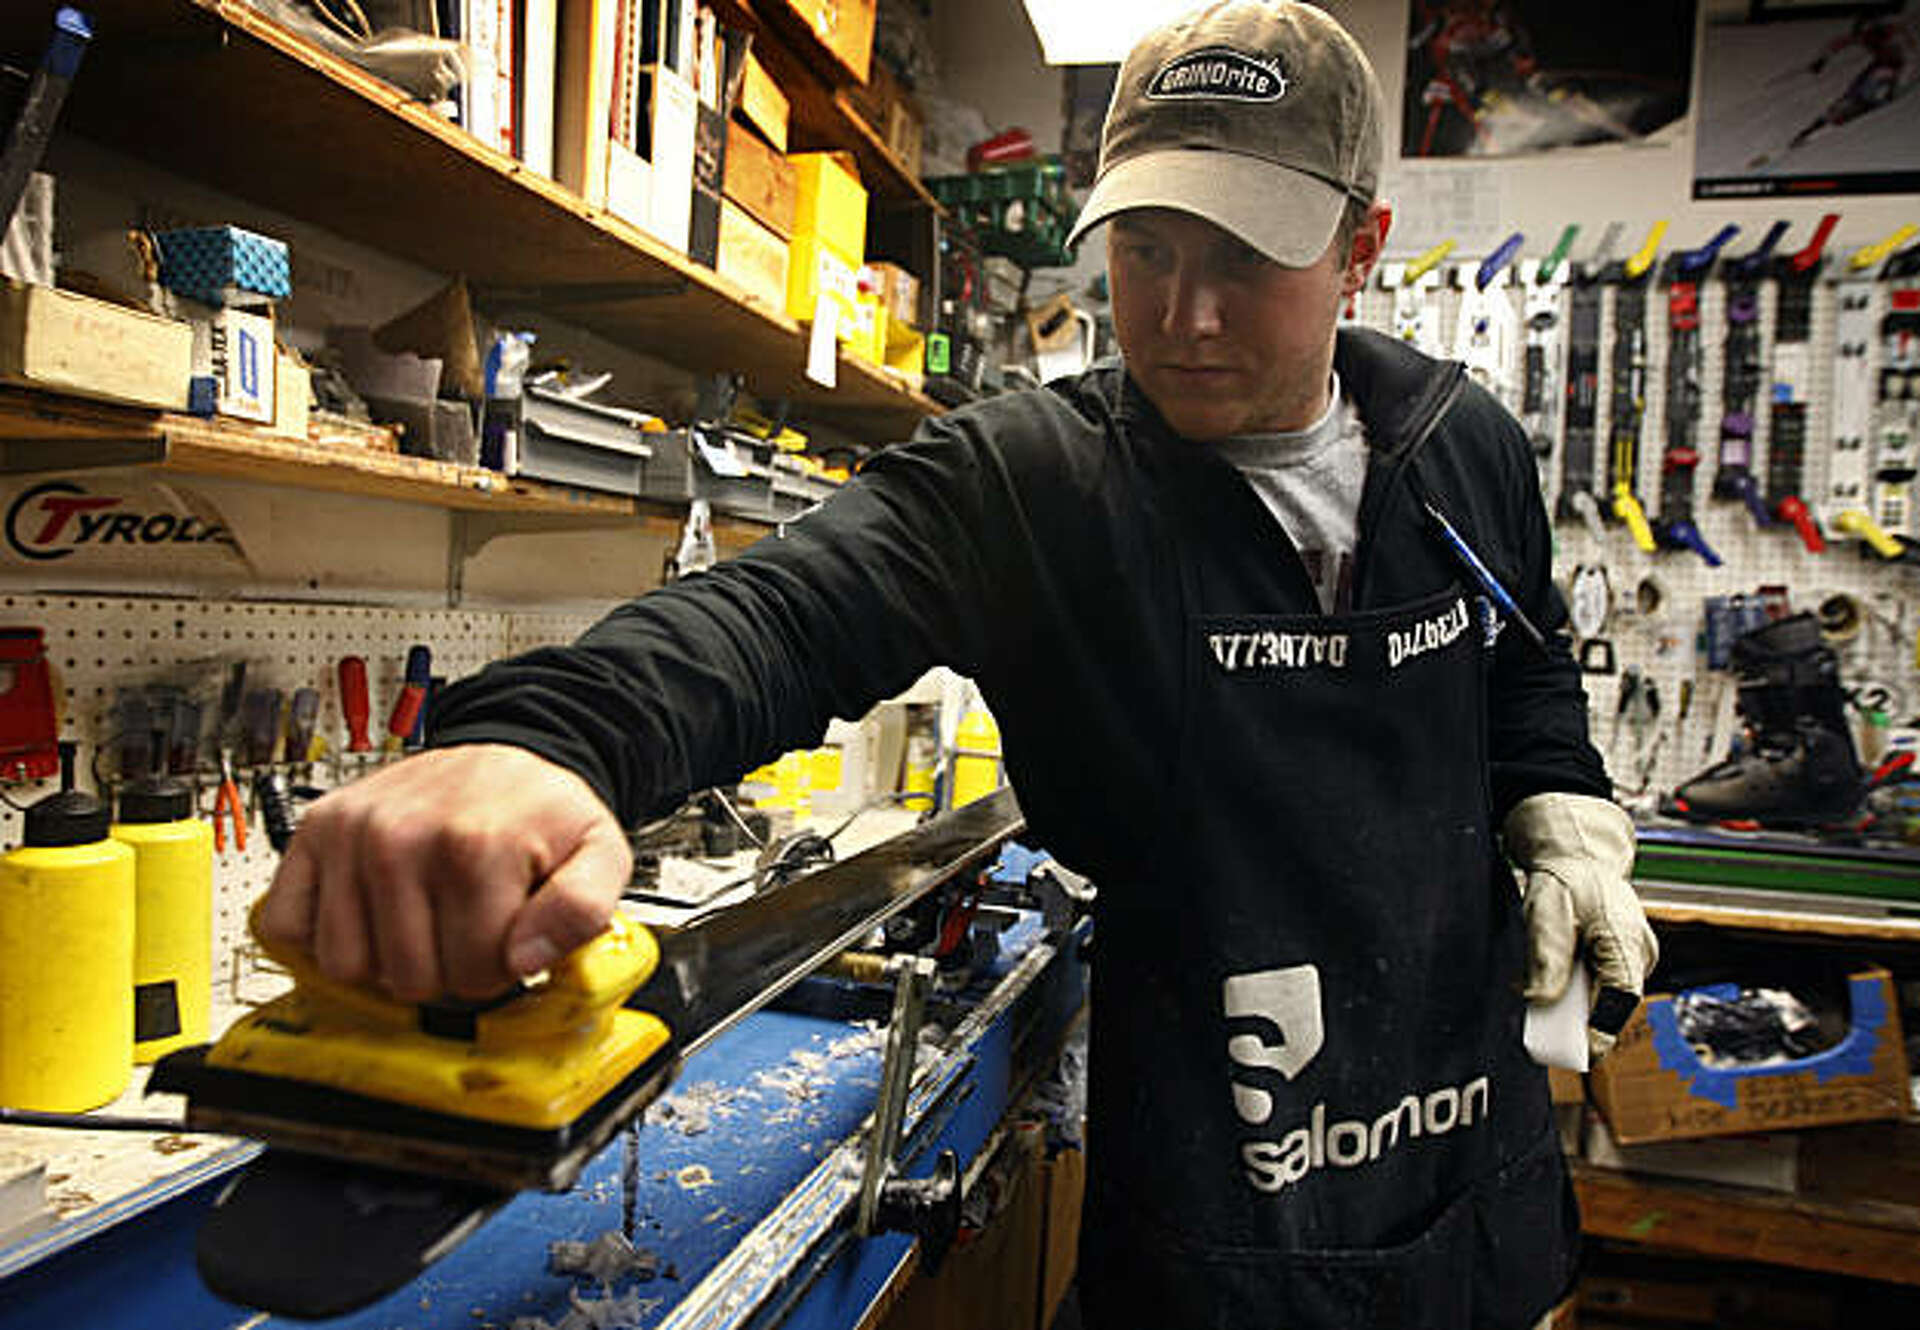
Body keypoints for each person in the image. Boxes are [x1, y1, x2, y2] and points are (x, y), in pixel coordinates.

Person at [260, 5, 1656, 1327]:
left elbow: (1522, 683)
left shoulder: (1462, 447)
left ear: (1361, 247)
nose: (1186, 314)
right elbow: (783, 610)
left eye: (1246, 255)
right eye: (1149, 249)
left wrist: (1568, 817)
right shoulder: (1042, 480)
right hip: (1218, 1204)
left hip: (1466, 1168)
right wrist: (534, 747)